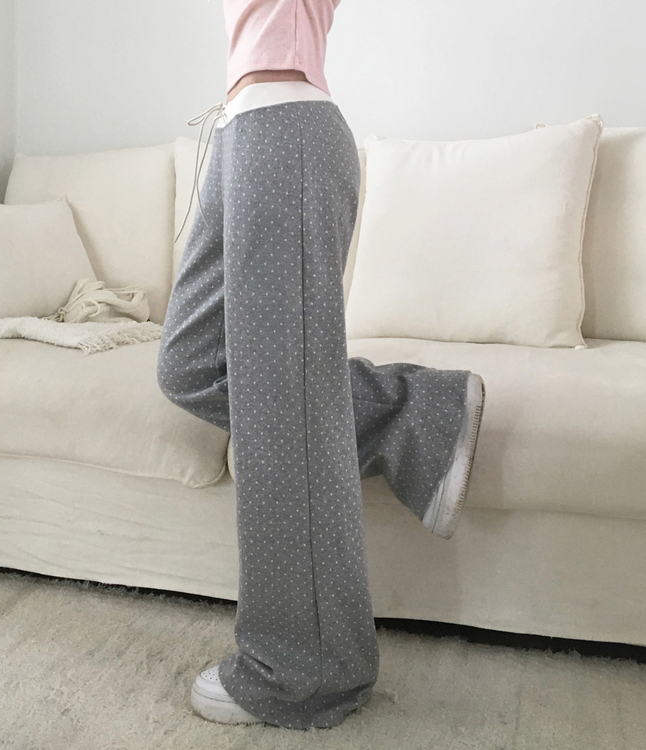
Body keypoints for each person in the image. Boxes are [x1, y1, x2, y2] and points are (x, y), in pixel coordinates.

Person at [156, 0, 486, 731]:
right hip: (241, 133)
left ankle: (306, 672)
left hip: (285, 133)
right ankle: (417, 412)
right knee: (189, 362)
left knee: (280, 402)